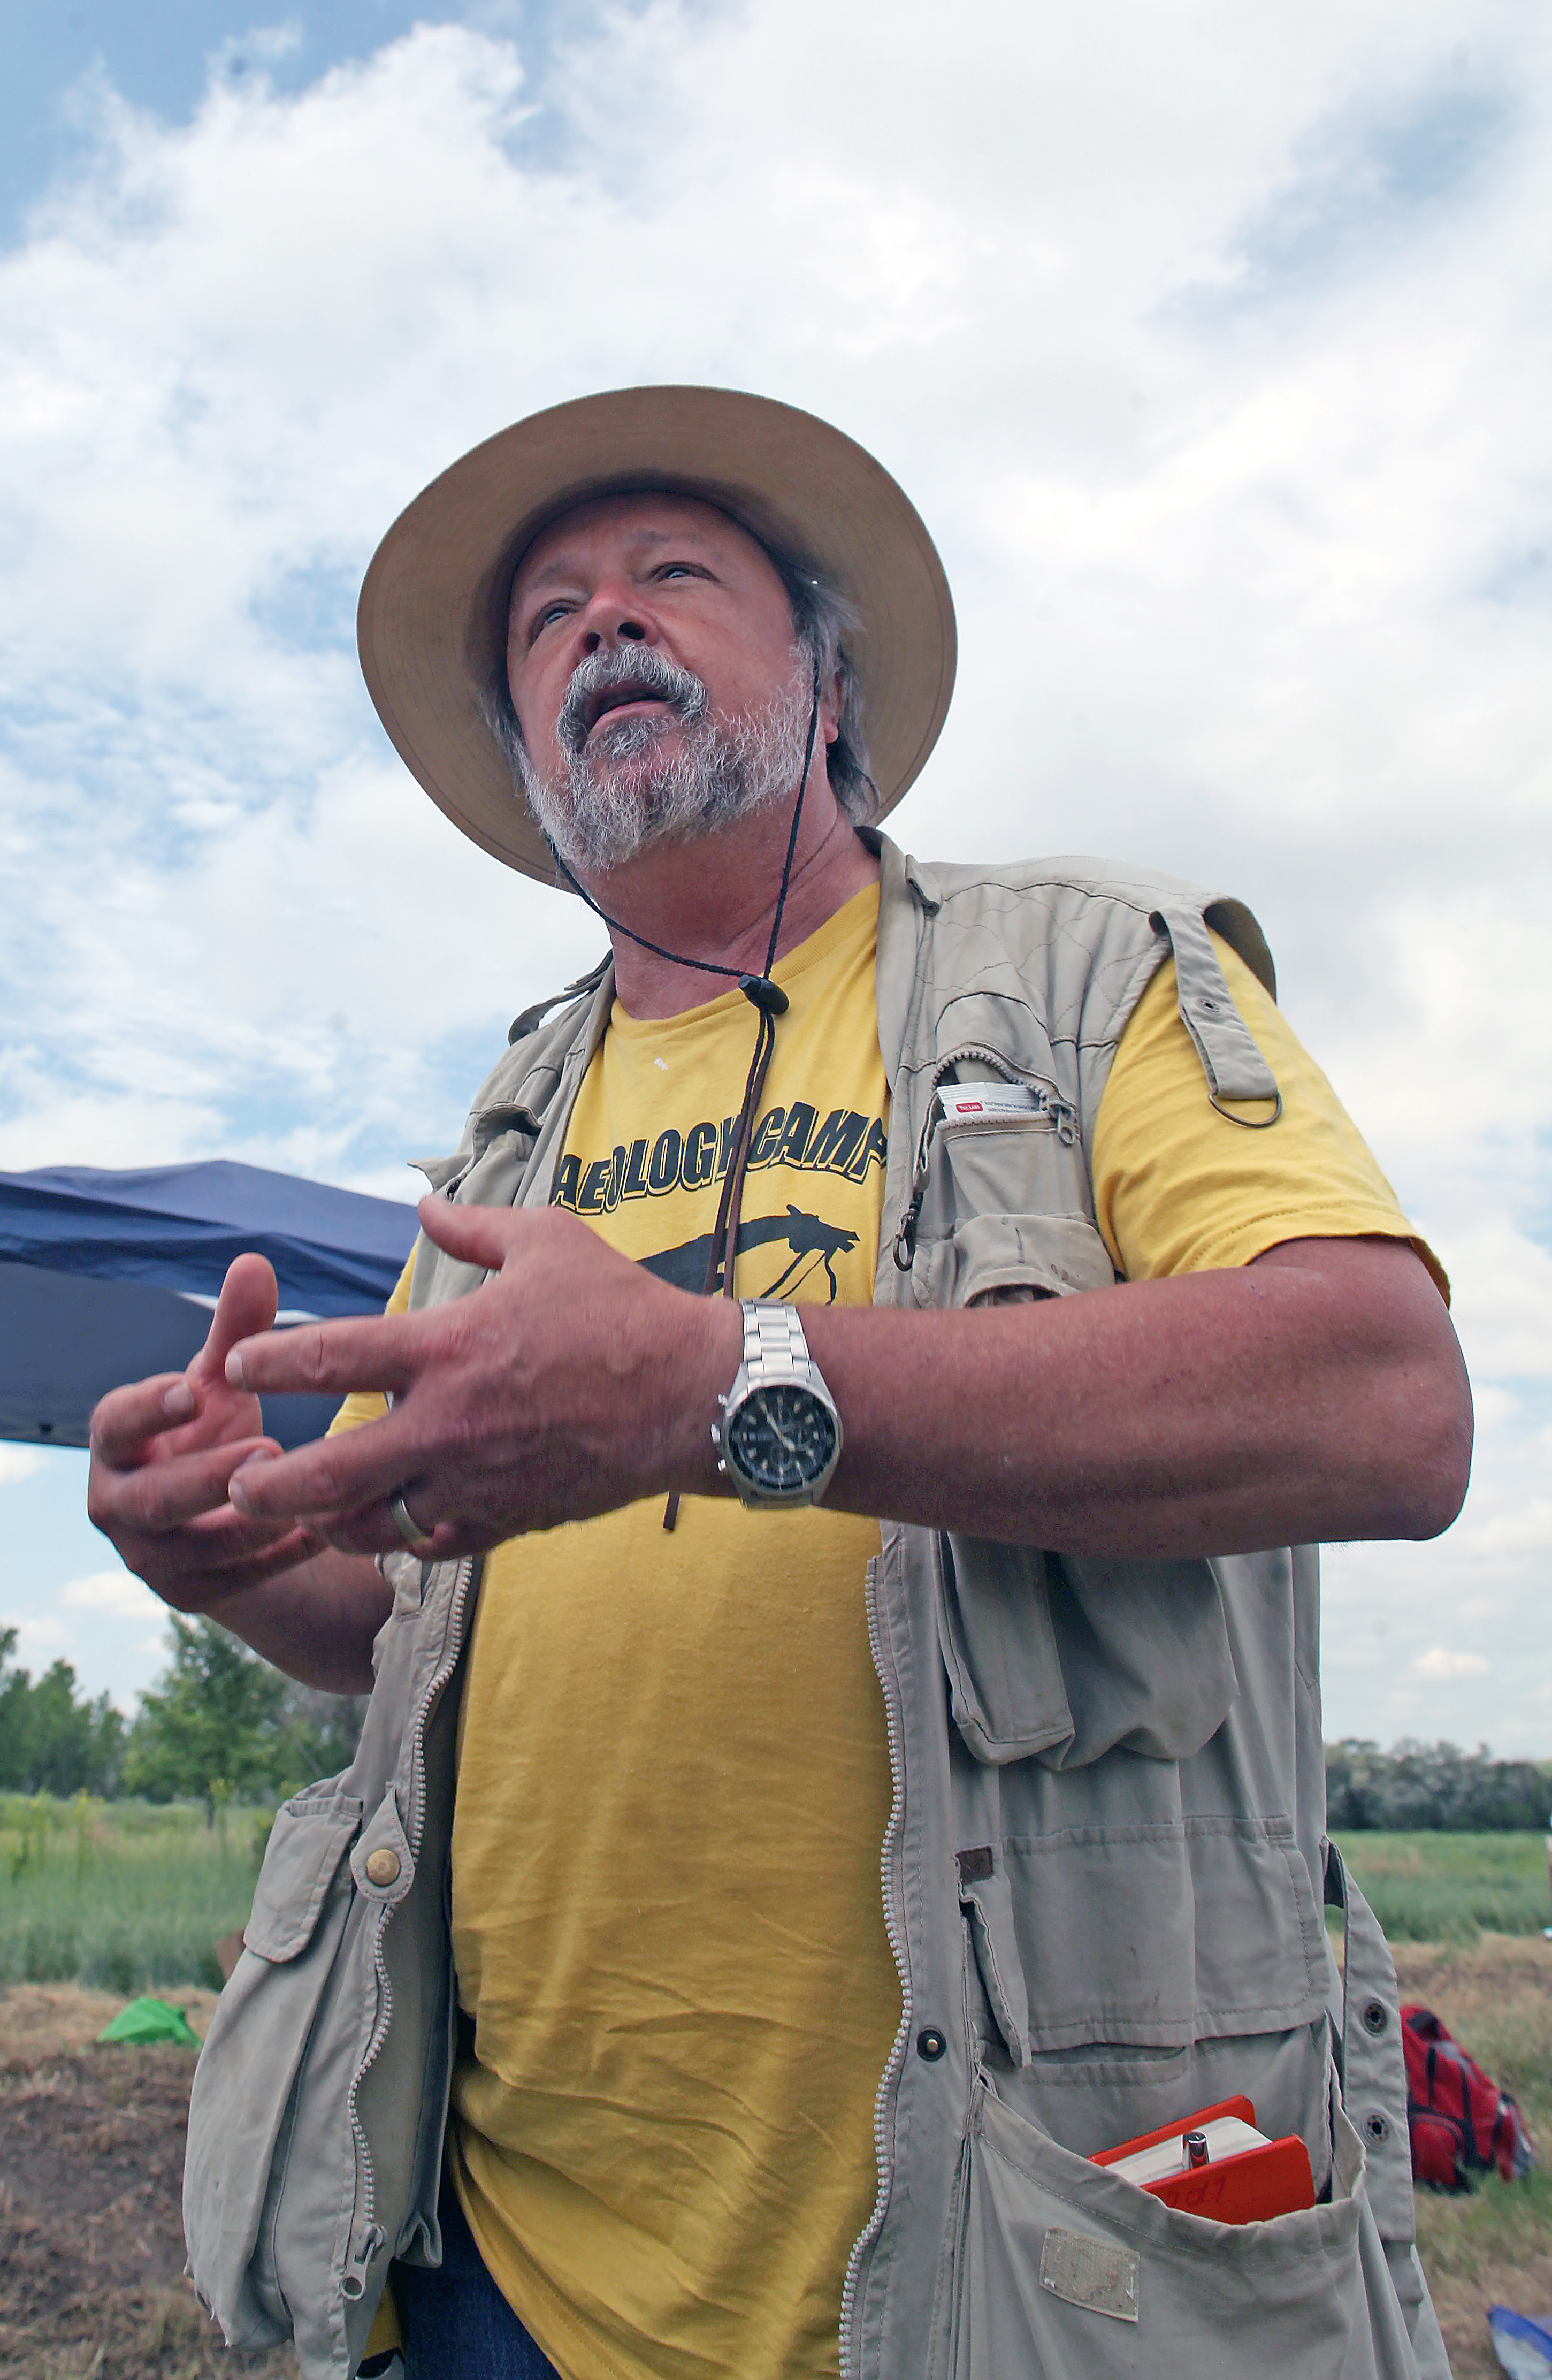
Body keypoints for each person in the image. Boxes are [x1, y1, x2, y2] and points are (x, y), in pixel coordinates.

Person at [89, 387, 1472, 2380]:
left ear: (829, 682)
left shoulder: (1081, 976)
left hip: (1019, 2265)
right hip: (501, 2267)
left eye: (672, 575)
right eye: (548, 619)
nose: (601, 623)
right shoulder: (507, 1132)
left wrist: (714, 1384)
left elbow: (1384, 1402)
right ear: (531, 766)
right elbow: (396, 1622)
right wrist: (230, 1550)